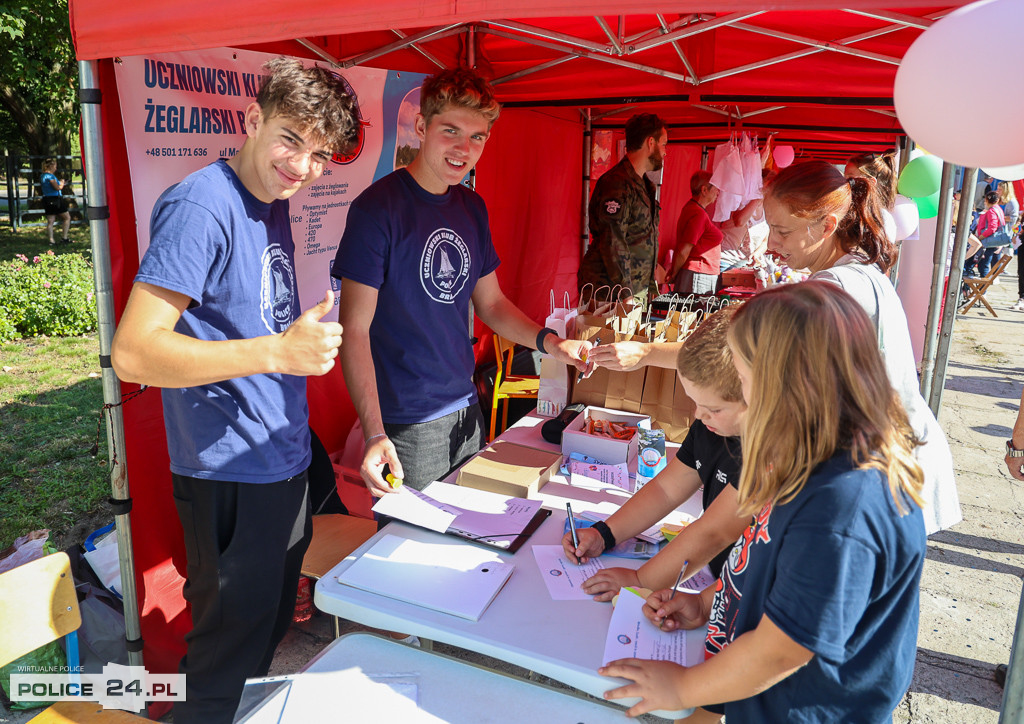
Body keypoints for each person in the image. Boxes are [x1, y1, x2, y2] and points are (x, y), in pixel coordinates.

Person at [110, 57, 358, 724]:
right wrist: (280, 351)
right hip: (229, 471)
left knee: (264, 634)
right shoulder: (203, 204)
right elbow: (133, 352)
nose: (302, 165)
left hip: (278, 461)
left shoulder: (269, 198)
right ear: (253, 120)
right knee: (223, 665)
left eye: (318, 154)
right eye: (290, 139)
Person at [601, 281, 927, 722]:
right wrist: (709, 601)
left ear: (785, 382)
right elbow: (774, 570)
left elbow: (781, 650)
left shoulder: (844, 503)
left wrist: (683, 687)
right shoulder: (808, 458)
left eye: (743, 375)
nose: (741, 390)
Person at [333, 68, 590, 495]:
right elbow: (354, 330)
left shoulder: (471, 207)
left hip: (467, 407)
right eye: (450, 130)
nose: (463, 148)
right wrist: (376, 432)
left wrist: (553, 344)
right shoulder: (377, 210)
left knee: (463, 541)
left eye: (477, 137)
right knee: (412, 552)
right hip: (408, 421)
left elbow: (491, 304)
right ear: (421, 126)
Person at [761, 160, 961, 534]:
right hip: (892, 461)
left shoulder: (834, 287)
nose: (771, 244)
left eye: (781, 231)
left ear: (826, 226)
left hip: (886, 468)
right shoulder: (851, 271)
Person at [561, 307, 750, 597]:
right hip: (717, 582)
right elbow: (666, 488)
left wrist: (641, 579)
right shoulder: (713, 425)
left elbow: (715, 532)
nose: (699, 416)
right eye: (694, 403)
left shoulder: (768, 453)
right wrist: (605, 533)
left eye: (712, 408)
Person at [578, 113, 667, 306]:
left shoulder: (644, 184)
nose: (665, 151)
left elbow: (639, 236)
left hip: (633, 290)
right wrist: (626, 293)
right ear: (650, 143)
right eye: (663, 144)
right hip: (609, 292)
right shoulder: (617, 184)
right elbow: (613, 240)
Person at [670, 169, 722, 294]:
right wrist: (674, 274)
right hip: (698, 276)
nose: (718, 192)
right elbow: (684, 250)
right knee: (694, 312)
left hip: (698, 274)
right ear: (704, 190)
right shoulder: (698, 214)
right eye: (715, 188)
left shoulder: (693, 209)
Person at [966, 190, 1007, 278]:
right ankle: (982, 288)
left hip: (989, 242)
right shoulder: (998, 209)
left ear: (987, 200)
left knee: (983, 265)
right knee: (984, 264)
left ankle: (982, 289)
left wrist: (980, 237)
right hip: (994, 241)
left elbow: (992, 228)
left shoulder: (991, 211)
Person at [39, 158, 70, 245]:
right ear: (51, 166)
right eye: (55, 166)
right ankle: (64, 238)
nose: (56, 168)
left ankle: (51, 240)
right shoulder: (50, 176)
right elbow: (57, 187)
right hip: (55, 199)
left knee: (50, 220)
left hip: (47, 199)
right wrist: (62, 182)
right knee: (67, 217)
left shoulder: (42, 176)